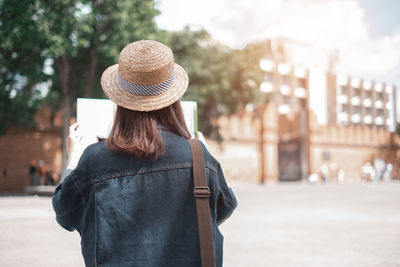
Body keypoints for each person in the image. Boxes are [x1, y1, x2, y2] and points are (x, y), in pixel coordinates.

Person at [52, 40, 237, 267]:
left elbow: (64, 213)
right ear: (173, 100)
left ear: (120, 102)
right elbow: (222, 209)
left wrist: (74, 157)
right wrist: (202, 155)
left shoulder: (94, 159)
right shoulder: (198, 155)